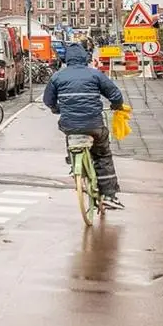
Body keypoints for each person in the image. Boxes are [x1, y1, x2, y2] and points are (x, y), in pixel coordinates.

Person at [42, 43, 127, 208]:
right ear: (85, 58)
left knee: (69, 131)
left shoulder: (57, 77)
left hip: (69, 124)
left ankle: (73, 160)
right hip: (94, 124)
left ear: (67, 59)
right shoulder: (95, 75)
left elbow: (48, 100)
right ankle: (109, 195)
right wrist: (116, 105)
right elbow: (115, 94)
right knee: (102, 154)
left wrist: (56, 108)